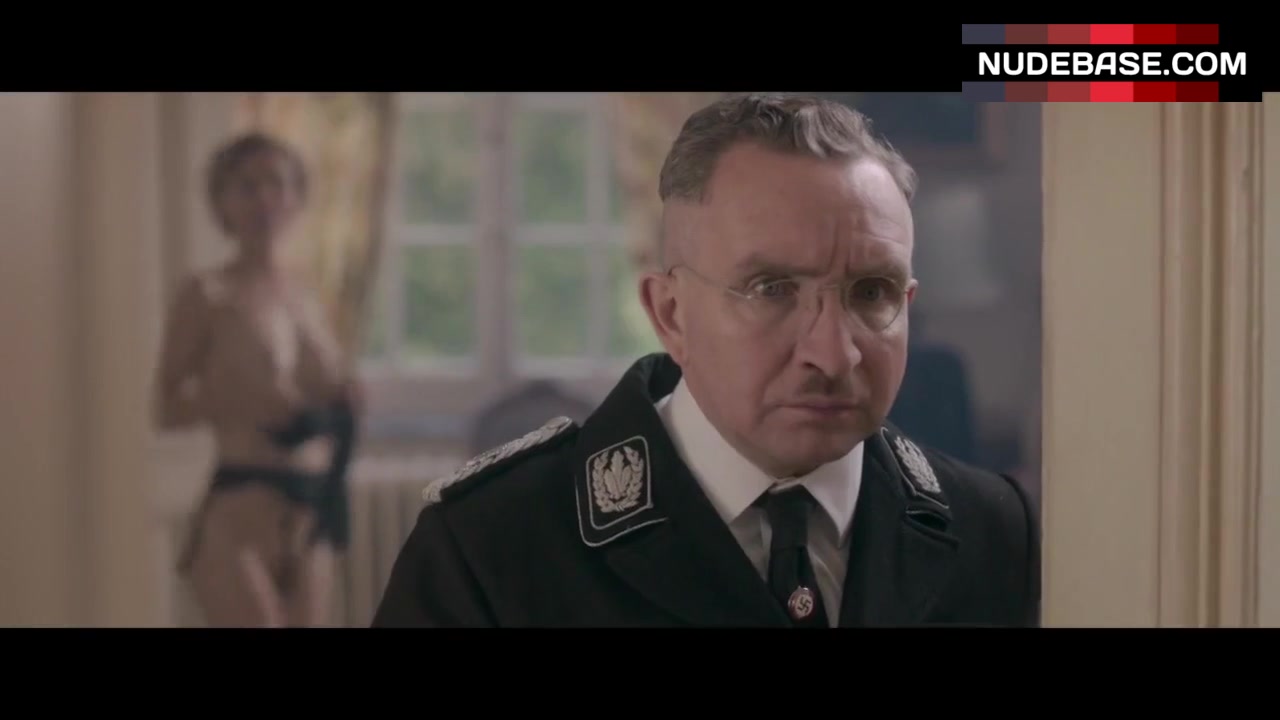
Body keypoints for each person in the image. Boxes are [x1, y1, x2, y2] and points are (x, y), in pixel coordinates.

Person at [372, 94, 1040, 627]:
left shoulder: (991, 530)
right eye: (771, 289)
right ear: (671, 315)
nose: (833, 353)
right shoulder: (491, 545)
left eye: (872, 293)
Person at [153, 132, 362, 627]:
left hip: (310, 507)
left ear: (296, 198)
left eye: (276, 184)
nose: (264, 198)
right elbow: (163, 408)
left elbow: (329, 392)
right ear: (221, 202)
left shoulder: (308, 296)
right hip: (239, 509)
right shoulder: (206, 293)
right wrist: (229, 400)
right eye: (247, 186)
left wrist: (345, 399)